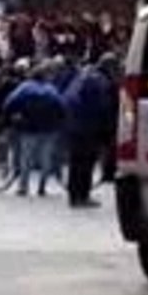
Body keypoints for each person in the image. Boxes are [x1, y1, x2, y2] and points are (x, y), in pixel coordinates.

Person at [63, 53, 121, 208]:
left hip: (73, 124)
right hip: (88, 127)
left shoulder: (84, 74)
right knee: (86, 162)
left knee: (75, 162)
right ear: (110, 67)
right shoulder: (101, 82)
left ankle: (74, 195)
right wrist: (107, 132)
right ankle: (83, 195)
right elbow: (103, 107)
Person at [2, 63, 67, 197]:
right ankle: (42, 187)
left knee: (26, 158)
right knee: (46, 159)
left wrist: (9, 120)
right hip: (49, 129)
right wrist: (59, 123)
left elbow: (9, 103)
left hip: (29, 128)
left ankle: (23, 187)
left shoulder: (25, 87)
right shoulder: (51, 89)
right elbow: (62, 106)